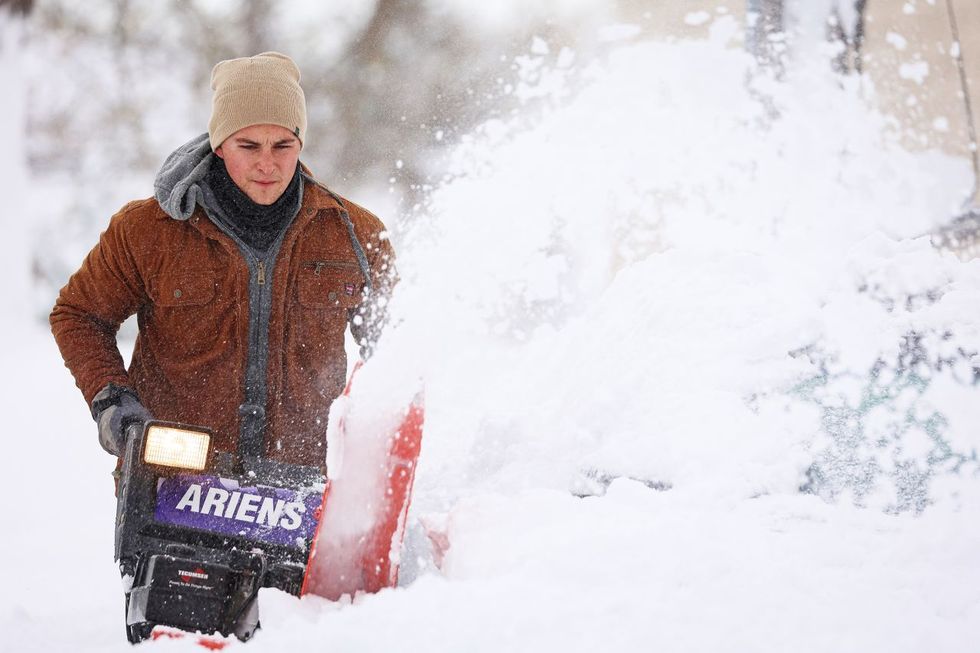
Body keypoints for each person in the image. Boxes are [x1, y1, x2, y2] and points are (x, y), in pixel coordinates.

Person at [50, 52, 395, 477]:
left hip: (303, 486)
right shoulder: (147, 229)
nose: (267, 163)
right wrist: (110, 398)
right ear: (218, 143)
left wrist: (379, 424)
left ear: (300, 143)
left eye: (282, 145)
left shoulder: (354, 235)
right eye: (248, 145)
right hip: (171, 479)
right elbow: (79, 315)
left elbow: (396, 346)